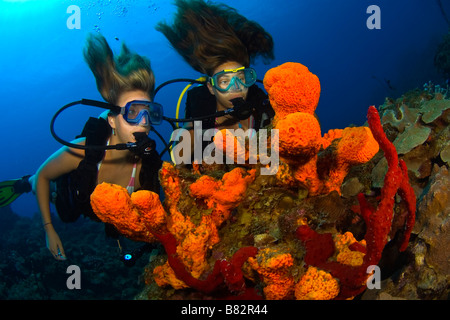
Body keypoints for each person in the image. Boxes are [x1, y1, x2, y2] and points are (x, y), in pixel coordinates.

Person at [0, 34, 162, 260]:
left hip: (102, 210)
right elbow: (45, 175)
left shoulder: (149, 163)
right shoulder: (83, 149)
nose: (144, 123)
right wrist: (49, 230)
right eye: (132, 113)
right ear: (113, 121)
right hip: (74, 193)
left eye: (149, 113)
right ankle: (24, 183)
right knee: (58, 201)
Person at [156, 0, 275, 154]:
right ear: (211, 88)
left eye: (241, 77)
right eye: (225, 81)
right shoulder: (201, 115)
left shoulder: (261, 106)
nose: (236, 86)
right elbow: (179, 156)